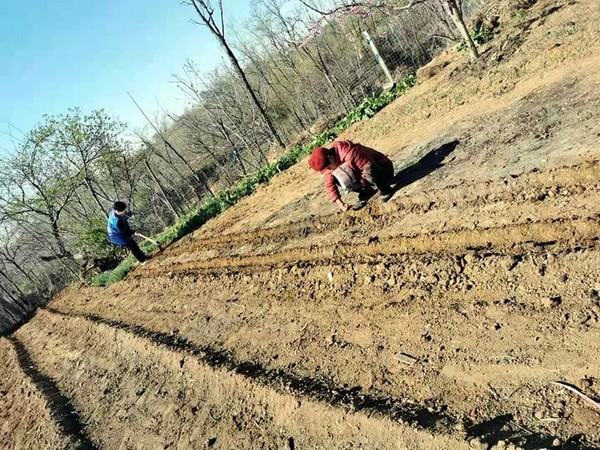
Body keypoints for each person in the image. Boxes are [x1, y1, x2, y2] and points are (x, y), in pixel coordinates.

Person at [308, 140, 394, 211]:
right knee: (338, 177)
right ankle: (367, 192)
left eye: (327, 167)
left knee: (368, 170)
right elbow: (329, 185)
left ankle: (385, 189)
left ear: (331, 158)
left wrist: (360, 182)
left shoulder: (351, 154)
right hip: (365, 177)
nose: (328, 170)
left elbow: (369, 166)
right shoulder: (330, 166)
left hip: (384, 169)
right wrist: (341, 204)